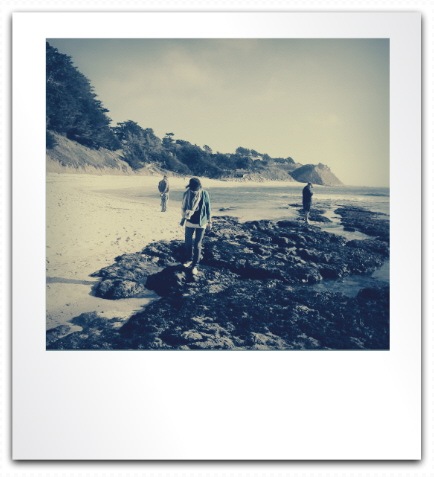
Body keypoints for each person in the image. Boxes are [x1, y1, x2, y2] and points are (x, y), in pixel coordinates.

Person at [180, 177, 212, 275]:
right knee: (188, 242)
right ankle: (189, 259)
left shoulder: (204, 193)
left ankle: (195, 265)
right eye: (194, 189)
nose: (195, 190)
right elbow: (183, 207)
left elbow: (208, 208)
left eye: (197, 188)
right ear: (190, 187)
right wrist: (184, 216)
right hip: (189, 221)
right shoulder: (186, 194)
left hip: (201, 222)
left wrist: (210, 222)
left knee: (197, 245)